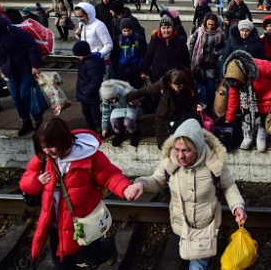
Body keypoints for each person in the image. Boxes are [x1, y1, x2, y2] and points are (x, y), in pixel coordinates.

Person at [124, 118, 247, 270]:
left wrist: (237, 206)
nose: (180, 156)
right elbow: (156, 181)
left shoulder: (214, 164)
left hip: (204, 226)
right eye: (177, 149)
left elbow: (228, 186)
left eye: (186, 151)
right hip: (181, 223)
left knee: (198, 264)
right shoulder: (170, 162)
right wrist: (141, 184)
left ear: (198, 149)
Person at [19, 117, 138, 269]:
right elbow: (25, 182)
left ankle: (109, 246)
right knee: (63, 265)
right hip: (56, 224)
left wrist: (125, 188)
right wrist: (37, 181)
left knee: (95, 256)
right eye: (42, 147)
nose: (46, 151)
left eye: (50, 146)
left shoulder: (87, 155)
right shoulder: (44, 158)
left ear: (62, 140)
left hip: (83, 219)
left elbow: (109, 175)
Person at [0, 11, 43, 135]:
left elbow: (31, 46)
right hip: (9, 69)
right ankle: (26, 122)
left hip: (25, 67)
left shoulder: (10, 29)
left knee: (25, 95)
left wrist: (35, 65)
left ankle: (39, 122)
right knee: (16, 97)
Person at [222, 50, 271, 152]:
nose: (236, 84)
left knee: (263, 117)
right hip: (247, 101)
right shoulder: (233, 81)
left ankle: (261, 135)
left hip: (265, 96)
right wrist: (229, 118)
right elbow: (233, 99)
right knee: (245, 114)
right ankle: (248, 136)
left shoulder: (260, 66)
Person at [127, 67, 199, 148]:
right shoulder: (163, 84)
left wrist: (197, 105)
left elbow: (194, 99)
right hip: (166, 114)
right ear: (170, 83)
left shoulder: (189, 86)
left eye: (180, 86)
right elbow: (146, 90)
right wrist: (129, 96)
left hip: (181, 115)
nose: (177, 89)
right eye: (174, 86)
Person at [188, 13, 227, 112]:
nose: (210, 27)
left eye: (212, 25)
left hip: (212, 65)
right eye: (208, 24)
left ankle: (210, 108)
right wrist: (191, 58)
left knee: (210, 88)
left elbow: (225, 48)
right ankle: (201, 108)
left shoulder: (221, 34)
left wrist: (216, 53)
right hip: (198, 64)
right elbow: (192, 44)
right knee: (200, 89)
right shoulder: (199, 31)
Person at [141, 15, 190, 83]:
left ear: (172, 28)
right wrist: (144, 71)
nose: (166, 30)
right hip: (158, 78)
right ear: (160, 29)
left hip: (176, 78)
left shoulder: (180, 41)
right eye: (163, 28)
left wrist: (187, 74)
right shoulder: (154, 41)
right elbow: (148, 57)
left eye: (168, 28)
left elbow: (186, 59)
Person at [73, 41, 105, 133]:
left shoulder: (90, 63)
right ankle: (93, 130)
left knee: (95, 114)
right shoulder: (86, 62)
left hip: (90, 94)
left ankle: (103, 129)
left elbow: (96, 80)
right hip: (85, 94)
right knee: (87, 113)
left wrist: (87, 91)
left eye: (79, 55)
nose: (78, 58)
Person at [74, 2, 113, 76]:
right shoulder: (82, 24)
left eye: (81, 16)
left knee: (102, 85)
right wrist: (78, 35)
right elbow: (83, 39)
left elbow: (109, 44)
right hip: (88, 60)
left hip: (101, 62)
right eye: (77, 17)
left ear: (89, 14)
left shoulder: (99, 26)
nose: (79, 19)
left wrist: (99, 54)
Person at [99, 79, 141, 147]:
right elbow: (105, 112)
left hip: (130, 107)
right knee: (113, 120)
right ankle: (118, 134)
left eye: (112, 98)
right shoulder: (106, 97)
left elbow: (140, 95)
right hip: (118, 108)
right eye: (108, 99)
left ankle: (134, 134)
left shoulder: (127, 91)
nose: (110, 100)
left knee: (128, 122)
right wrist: (104, 128)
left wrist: (136, 101)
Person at [111, 18, 147, 89]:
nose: (126, 33)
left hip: (135, 71)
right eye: (124, 31)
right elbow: (114, 55)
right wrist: (117, 68)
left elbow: (144, 55)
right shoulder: (117, 40)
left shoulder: (139, 39)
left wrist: (141, 68)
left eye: (128, 31)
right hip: (121, 71)